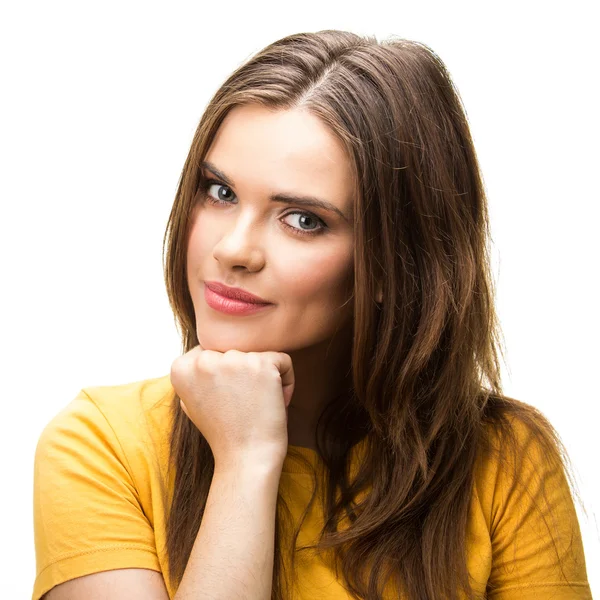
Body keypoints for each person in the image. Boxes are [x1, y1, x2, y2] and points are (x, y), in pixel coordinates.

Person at [32, 30, 593, 600]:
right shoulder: (102, 446)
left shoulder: (504, 461)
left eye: (303, 219)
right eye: (220, 192)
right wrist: (245, 463)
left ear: (399, 263)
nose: (233, 250)